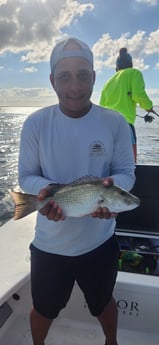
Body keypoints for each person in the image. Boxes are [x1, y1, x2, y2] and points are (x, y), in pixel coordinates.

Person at [18, 37, 136, 345]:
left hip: (99, 241)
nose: (74, 86)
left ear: (95, 77)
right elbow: (26, 176)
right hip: (49, 244)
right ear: (52, 80)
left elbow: (126, 173)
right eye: (64, 76)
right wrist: (44, 192)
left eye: (83, 75)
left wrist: (116, 188)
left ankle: (112, 342)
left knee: (103, 302)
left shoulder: (115, 122)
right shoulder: (35, 124)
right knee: (43, 308)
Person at [99, 47, 153, 162]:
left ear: (117, 67)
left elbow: (100, 108)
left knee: (110, 163)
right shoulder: (135, 73)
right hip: (124, 125)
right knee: (130, 165)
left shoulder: (107, 82)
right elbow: (138, 94)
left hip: (105, 129)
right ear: (131, 64)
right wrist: (148, 107)